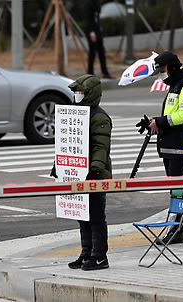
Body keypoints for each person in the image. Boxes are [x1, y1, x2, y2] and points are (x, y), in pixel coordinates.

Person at [51, 74, 113, 271]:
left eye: (81, 92)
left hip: (94, 174)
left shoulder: (98, 117)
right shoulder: (75, 115)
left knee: (95, 216)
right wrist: (58, 165)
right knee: (82, 215)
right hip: (77, 173)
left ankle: (99, 256)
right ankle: (86, 253)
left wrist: (95, 168)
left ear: (91, 94)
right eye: (76, 92)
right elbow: (67, 144)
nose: (77, 95)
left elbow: (100, 146)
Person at [148, 51, 183, 244]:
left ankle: (176, 231)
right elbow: (172, 113)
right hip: (170, 143)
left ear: (172, 67)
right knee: (178, 189)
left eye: (162, 70)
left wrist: (160, 122)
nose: (161, 74)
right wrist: (153, 123)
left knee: (177, 190)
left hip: (181, 143)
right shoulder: (175, 86)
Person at [85, 0, 112, 78]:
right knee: (92, 53)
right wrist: (91, 31)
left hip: (97, 30)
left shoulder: (97, 3)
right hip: (91, 30)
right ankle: (90, 72)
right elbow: (88, 19)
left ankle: (105, 72)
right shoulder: (88, 4)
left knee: (102, 52)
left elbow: (97, 16)